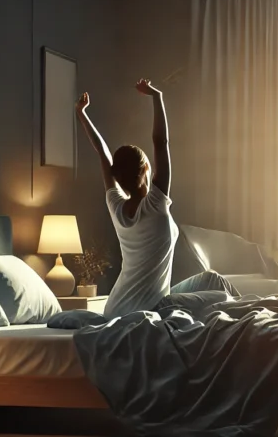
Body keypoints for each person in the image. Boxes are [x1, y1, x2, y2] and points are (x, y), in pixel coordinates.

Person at [76, 79, 236, 320]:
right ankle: (253, 319)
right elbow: (160, 142)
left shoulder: (116, 207)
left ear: (116, 177)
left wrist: (81, 114)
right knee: (223, 296)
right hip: (151, 309)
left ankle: (250, 314)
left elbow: (102, 153)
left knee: (213, 279)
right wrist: (156, 96)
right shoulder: (155, 204)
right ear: (147, 168)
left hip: (115, 307)